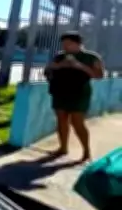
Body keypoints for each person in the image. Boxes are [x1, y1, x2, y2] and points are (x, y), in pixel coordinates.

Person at [44, 31, 104, 161]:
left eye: (69, 44)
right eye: (64, 44)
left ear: (78, 44)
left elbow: (99, 75)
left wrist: (79, 66)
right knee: (61, 120)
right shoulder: (60, 56)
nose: (65, 47)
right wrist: (59, 66)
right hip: (60, 91)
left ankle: (86, 151)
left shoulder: (91, 57)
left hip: (79, 93)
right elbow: (48, 70)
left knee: (77, 122)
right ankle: (63, 147)